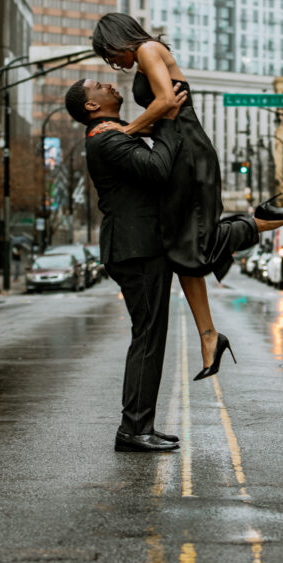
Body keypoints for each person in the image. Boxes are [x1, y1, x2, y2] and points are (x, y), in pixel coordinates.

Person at [91, 12, 283, 379]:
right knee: (181, 245)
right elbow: (163, 107)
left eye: (112, 55)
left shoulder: (146, 49)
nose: (115, 64)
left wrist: (126, 130)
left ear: (119, 39)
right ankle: (209, 336)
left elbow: (163, 102)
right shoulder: (146, 55)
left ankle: (266, 219)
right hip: (176, 146)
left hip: (187, 151)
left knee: (194, 242)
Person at [64, 77, 187, 453]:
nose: (110, 84)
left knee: (149, 338)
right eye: (99, 85)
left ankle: (139, 424)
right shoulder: (105, 137)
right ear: (90, 106)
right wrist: (166, 120)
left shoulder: (115, 132)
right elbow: (158, 169)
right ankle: (134, 428)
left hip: (139, 246)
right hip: (136, 249)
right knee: (148, 338)